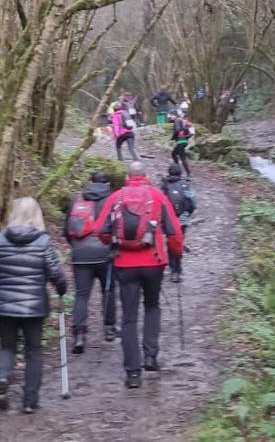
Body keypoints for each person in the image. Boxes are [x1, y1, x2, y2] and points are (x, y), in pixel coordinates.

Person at [98, 161, 184, 389]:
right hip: (154, 262)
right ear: (145, 176)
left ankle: (133, 373)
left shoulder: (115, 197)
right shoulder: (157, 196)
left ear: (127, 177)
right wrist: (176, 256)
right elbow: (174, 232)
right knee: (152, 306)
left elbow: (101, 230)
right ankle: (150, 357)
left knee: (128, 317)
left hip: (124, 264)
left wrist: (115, 244)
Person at [0, 197, 67, 413]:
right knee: (34, 351)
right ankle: (29, 401)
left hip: (4, 306)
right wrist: (61, 288)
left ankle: (2, 378)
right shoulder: (43, 242)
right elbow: (55, 272)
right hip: (34, 306)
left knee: (7, 346)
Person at [63, 171, 118, 351]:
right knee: (108, 290)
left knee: (81, 294)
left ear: (90, 182)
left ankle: (79, 335)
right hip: (106, 253)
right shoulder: (113, 200)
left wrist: (76, 247)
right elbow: (118, 227)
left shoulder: (77, 199)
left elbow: (66, 230)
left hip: (81, 255)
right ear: (107, 183)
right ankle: (109, 328)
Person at [159, 164, 197, 283]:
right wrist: (187, 215)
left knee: (170, 242)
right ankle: (178, 269)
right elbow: (193, 202)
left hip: (168, 220)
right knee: (179, 243)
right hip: (182, 220)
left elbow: (159, 202)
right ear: (180, 173)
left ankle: (172, 269)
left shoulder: (164, 184)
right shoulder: (185, 185)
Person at [170, 112, 196, 178]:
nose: (170, 117)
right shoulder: (182, 121)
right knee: (174, 154)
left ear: (175, 115)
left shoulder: (177, 120)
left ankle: (188, 174)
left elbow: (177, 130)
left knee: (182, 157)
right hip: (183, 141)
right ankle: (179, 170)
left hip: (180, 141)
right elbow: (189, 133)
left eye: (172, 115)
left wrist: (173, 137)